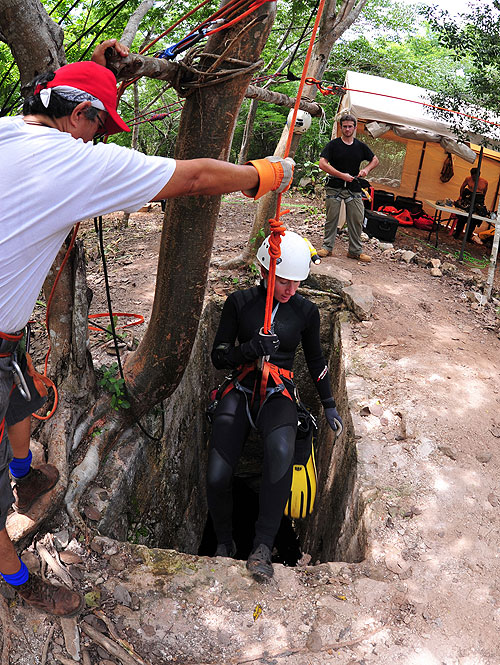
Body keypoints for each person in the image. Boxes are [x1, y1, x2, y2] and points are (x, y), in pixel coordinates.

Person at [0, 39, 295, 616]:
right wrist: (263, 174)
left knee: (24, 399)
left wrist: (105, 75)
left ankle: (23, 472)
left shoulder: (10, 130)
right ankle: (14, 577)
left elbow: (74, 111)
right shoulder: (71, 160)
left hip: (6, 335)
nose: (95, 141)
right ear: (78, 114)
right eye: (96, 126)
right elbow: (192, 177)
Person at [206, 231, 343, 581]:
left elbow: (316, 360)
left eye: (297, 283)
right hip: (240, 387)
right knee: (218, 475)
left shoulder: (306, 312)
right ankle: (224, 543)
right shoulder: (240, 303)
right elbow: (219, 356)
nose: (291, 290)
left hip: (278, 392)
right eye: (284, 281)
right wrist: (250, 349)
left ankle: (263, 547)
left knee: (280, 454)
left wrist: (328, 403)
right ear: (266, 270)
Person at [317, 114, 379, 263]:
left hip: (354, 186)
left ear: (355, 128)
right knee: (332, 218)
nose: (347, 129)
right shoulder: (333, 145)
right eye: (344, 126)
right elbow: (322, 163)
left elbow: (375, 160)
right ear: (341, 127)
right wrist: (341, 175)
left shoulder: (360, 146)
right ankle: (327, 247)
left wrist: (366, 170)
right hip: (334, 186)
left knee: (357, 218)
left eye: (350, 126)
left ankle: (355, 251)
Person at [453, 168, 489, 241]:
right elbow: (462, 186)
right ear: (471, 175)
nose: (474, 178)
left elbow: (484, 192)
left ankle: (468, 236)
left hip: (478, 199)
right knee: (462, 217)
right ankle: (457, 233)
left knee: (474, 219)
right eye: (473, 177)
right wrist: (461, 195)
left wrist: (481, 202)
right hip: (468, 198)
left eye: (476, 177)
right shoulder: (468, 179)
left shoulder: (484, 182)